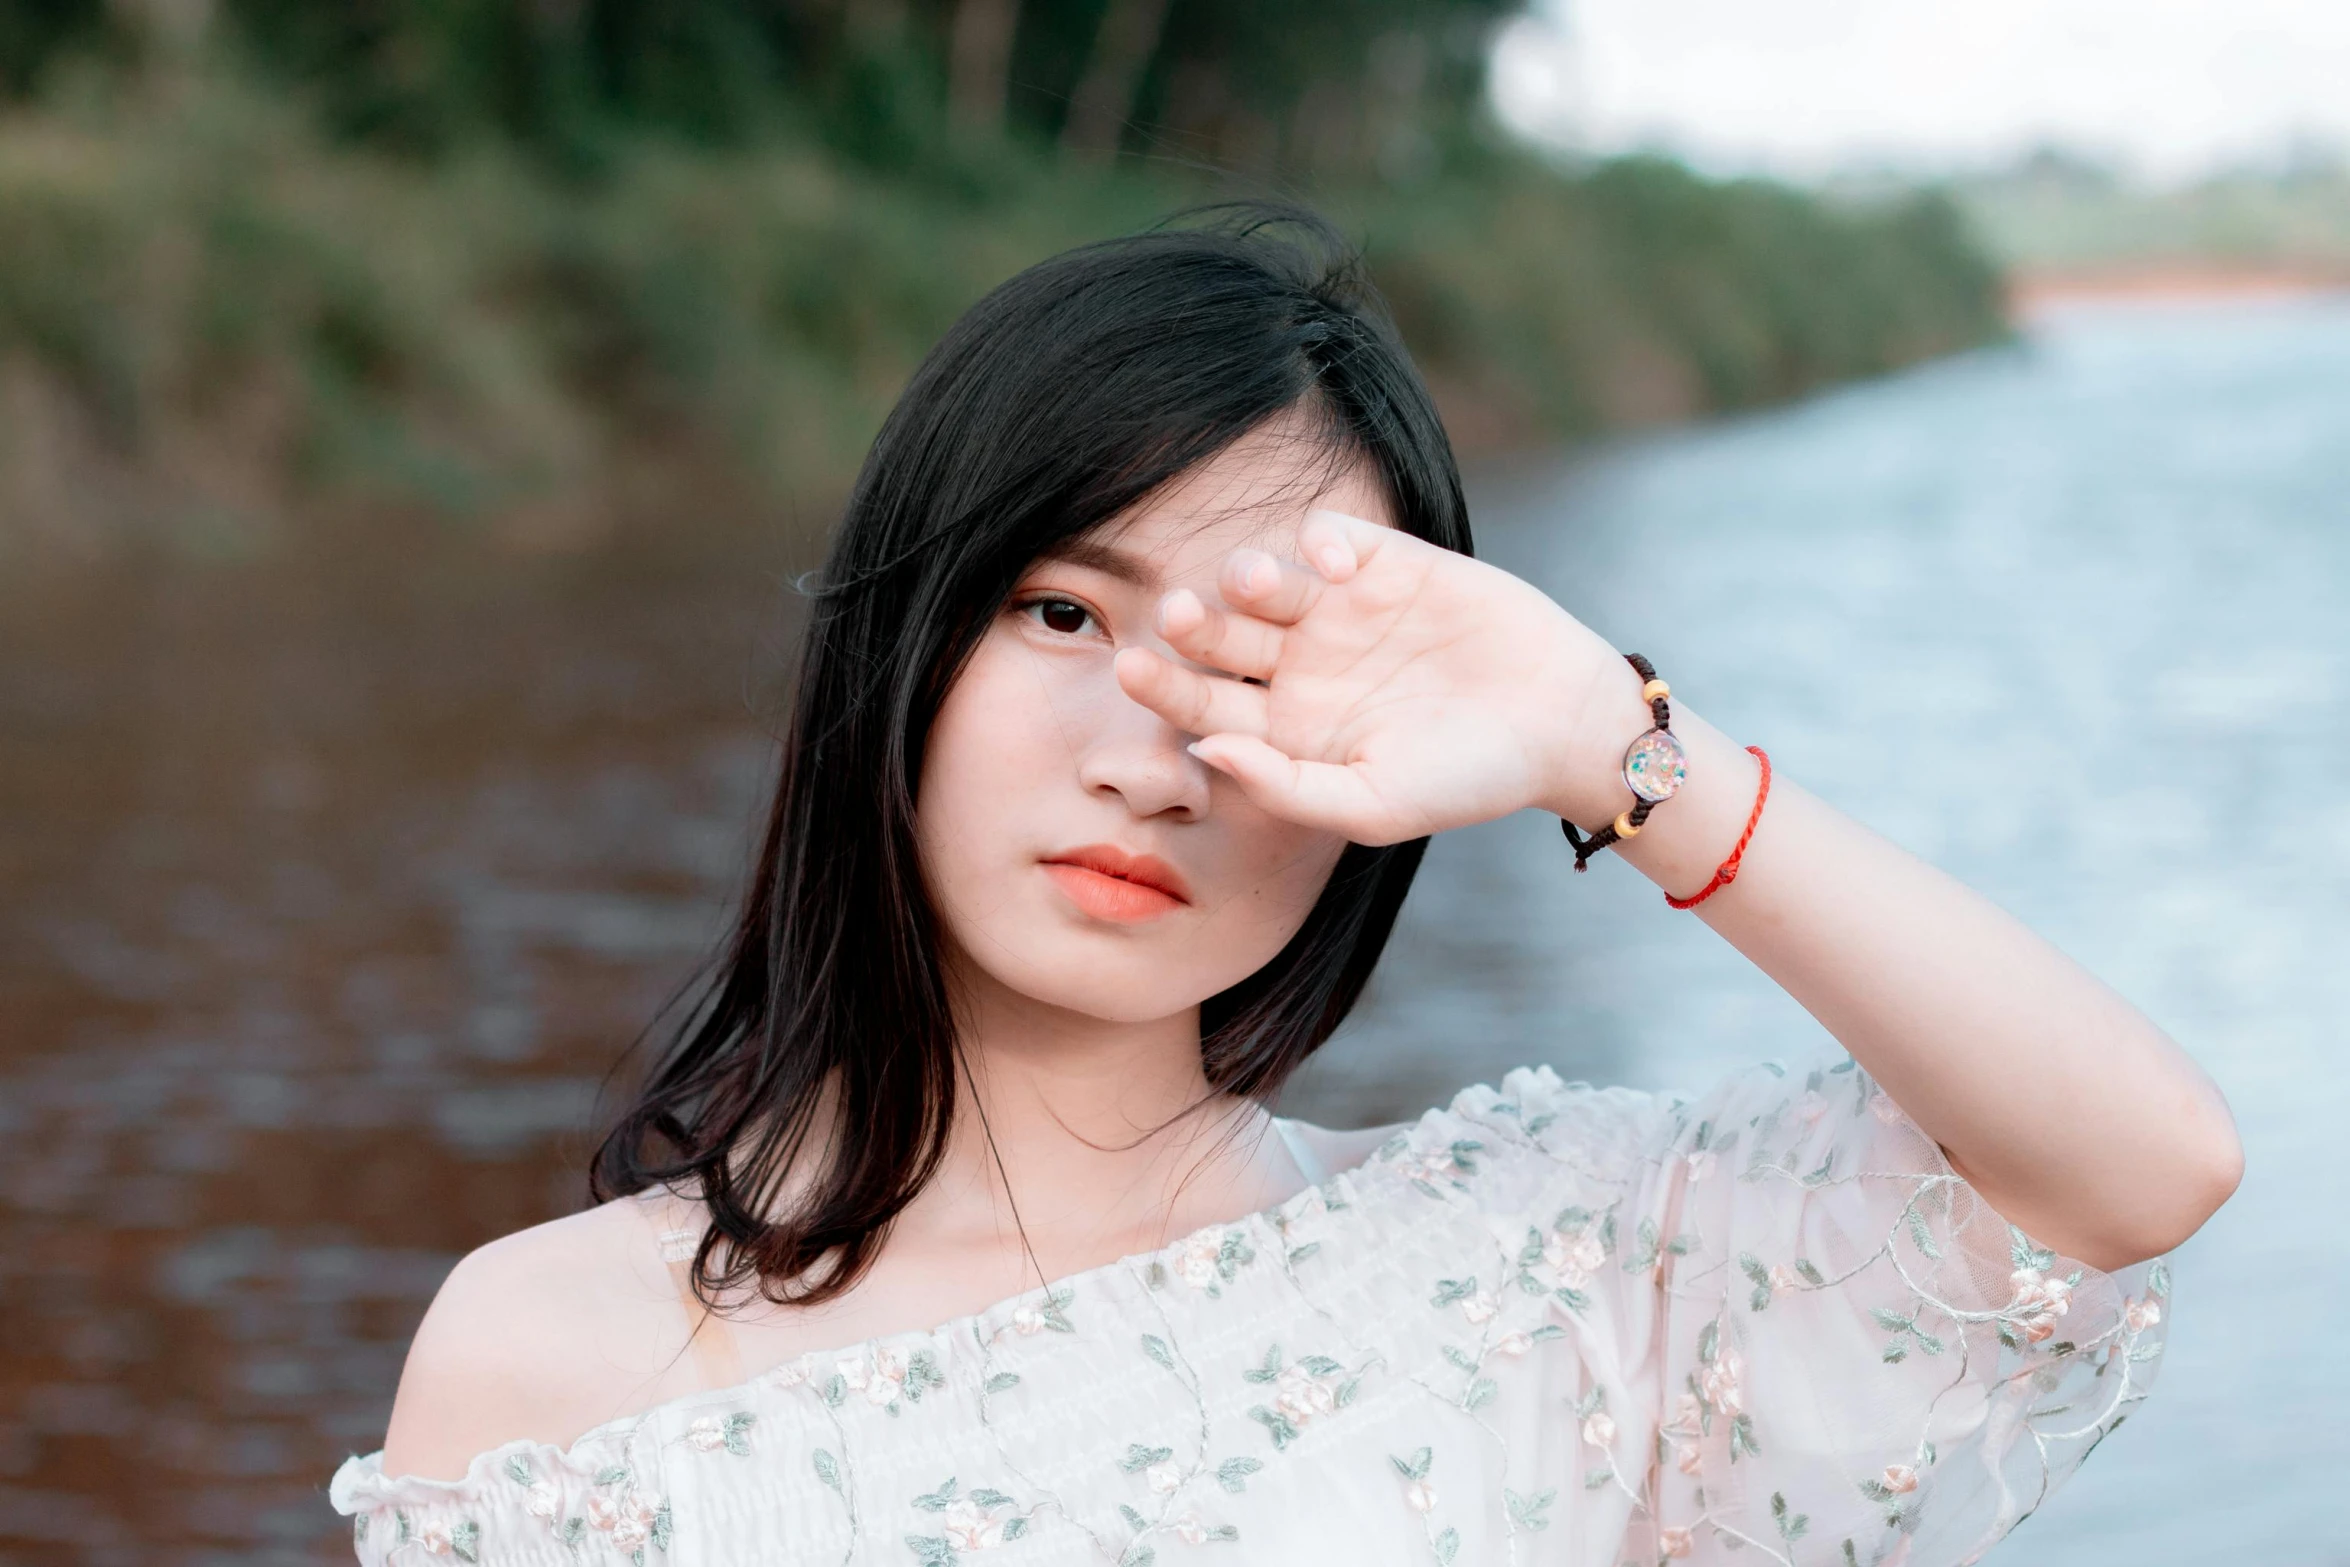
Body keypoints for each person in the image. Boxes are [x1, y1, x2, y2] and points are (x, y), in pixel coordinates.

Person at [327, 205, 2240, 1566]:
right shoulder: (549, 1356)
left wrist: (1611, 741)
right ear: (897, 650)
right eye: (1063, 608)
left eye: (1256, 670)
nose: (1149, 752)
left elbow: (2131, 1171)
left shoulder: (1537, 1267)